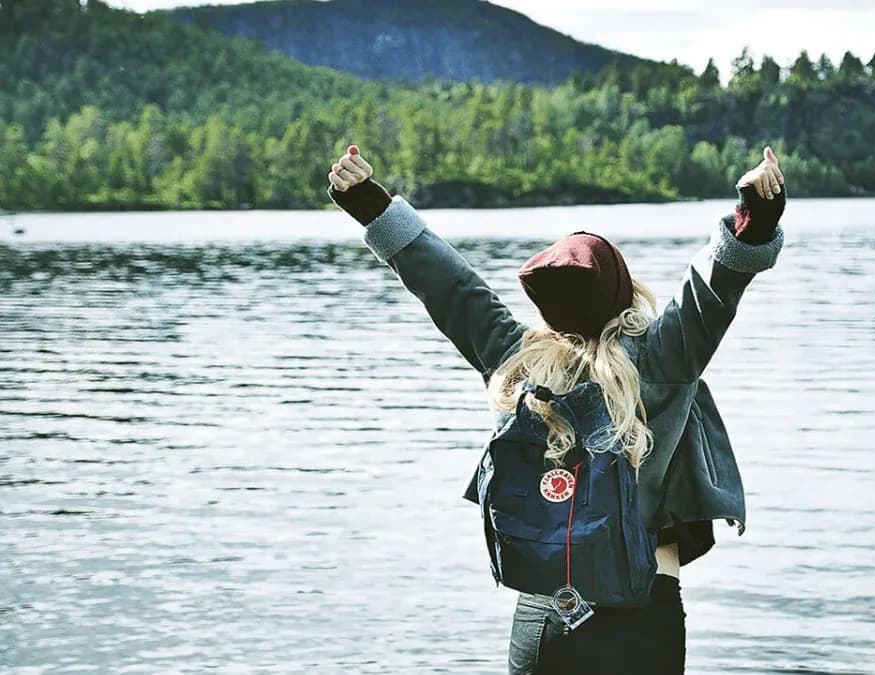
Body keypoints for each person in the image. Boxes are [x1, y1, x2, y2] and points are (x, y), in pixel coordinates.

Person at [327, 145, 786, 675]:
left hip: (542, 617)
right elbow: (715, 283)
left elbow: (448, 285)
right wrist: (754, 214)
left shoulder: (516, 359)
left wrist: (370, 204)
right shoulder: (662, 358)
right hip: (640, 618)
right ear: (623, 290)